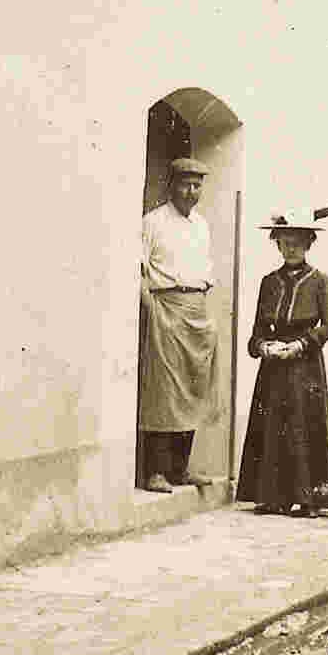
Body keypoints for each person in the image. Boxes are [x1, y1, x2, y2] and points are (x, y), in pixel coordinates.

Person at [237, 210, 328, 517]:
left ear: (308, 243)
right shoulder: (269, 282)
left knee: (302, 425)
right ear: (278, 244)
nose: (291, 248)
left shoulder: (321, 282)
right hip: (273, 367)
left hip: (305, 366)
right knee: (272, 426)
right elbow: (257, 331)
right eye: (285, 242)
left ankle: (309, 500)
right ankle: (272, 497)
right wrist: (264, 346)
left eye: (297, 242)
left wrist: (300, 345)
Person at [139, 155, 219, 492]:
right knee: (164, 391)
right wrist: (154, 310)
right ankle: (155, 471)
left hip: (196, 310)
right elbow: (138, 272)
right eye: (185, 185)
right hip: (166, 308)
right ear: (171, 185)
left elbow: (204, 272)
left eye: (197, 186)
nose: (191, 192)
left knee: (194, 388)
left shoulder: (201, 225)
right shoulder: (153, 222)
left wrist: (204, 314)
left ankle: (180, 468)